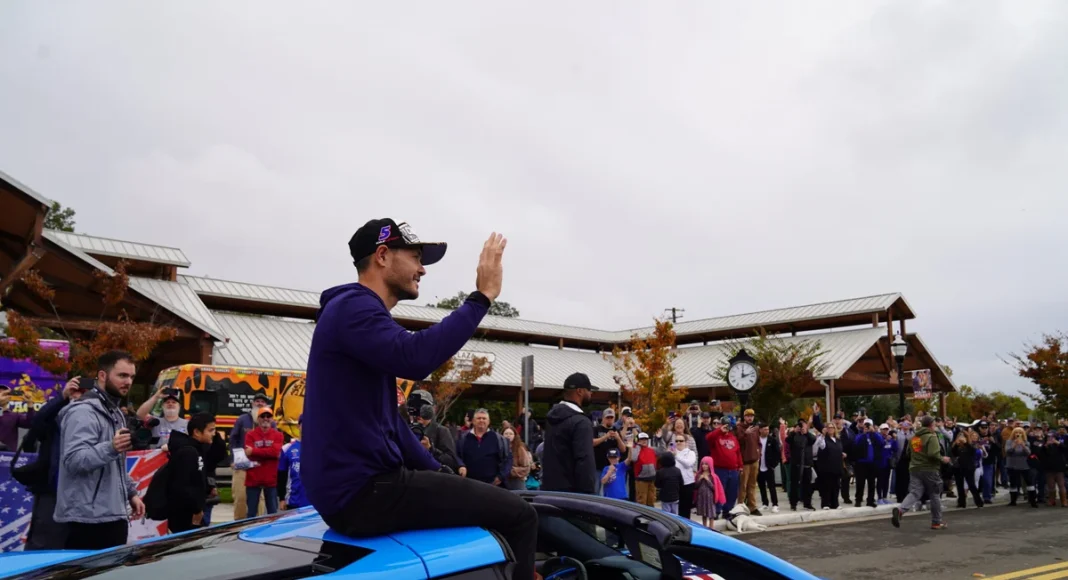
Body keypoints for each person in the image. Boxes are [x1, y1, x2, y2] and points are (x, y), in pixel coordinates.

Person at [301, 221, 538, 580]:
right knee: (521, 515)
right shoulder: (353, 307)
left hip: (355, 492)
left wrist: (436, 471)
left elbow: (392, 425)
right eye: (415, 257)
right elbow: (415, 356)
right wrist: (482, 296)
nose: (423, 269)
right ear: (382, 255)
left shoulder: (357, 316)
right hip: (364, 491)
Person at [54, 351, 146, 550]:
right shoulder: (82, 412)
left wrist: (132, 493)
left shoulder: (116, 414)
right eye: (122, 375)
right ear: (103, 376)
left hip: (113, 515)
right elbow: (73, 460)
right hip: (86, 520)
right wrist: (111, 447)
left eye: (131, 377)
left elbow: (116, 466)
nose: (128, 382)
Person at [23, 377, 83, 550]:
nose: (78, 394)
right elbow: (37, 422)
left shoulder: (94, 414)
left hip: (81, 493)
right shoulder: (55, 415)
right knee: (43, 543)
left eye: (83, 390)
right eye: (75, 390)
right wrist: (63, 397)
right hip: (53, 489)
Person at [541, 373, 598, 494]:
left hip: (549, 491)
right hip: (572, 496)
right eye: (589, 390)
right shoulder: (581, 422)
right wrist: (588, 496)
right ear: (580, 391)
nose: (591, 393)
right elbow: (584, 461)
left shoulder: (552, 419)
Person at [891, 416, 951, 530]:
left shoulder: (914, 437)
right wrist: (943, 459)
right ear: (930, 425)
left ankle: (900, 510)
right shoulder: (931, 436)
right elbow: (933, 453)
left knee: (915, 492)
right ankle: (936, 522)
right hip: (930, 469)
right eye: (934, 425)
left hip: (915, 469)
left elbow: (908, 453)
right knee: (934, 494)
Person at [166, 412, 217, 533]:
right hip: (185, 514)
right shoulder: (188, 452)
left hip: (192, 511)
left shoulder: (198, 449)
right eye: (211, 430)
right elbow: (184, 486)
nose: (214, 434)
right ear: (197, 432)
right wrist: (196, 510)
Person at [229, 393, 274, 520]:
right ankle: (237, 527)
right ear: (252, 404)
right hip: (242, 466)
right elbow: (233, 440)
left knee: (259, 500)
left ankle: (256, 527)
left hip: (261, 468)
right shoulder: (242, 420)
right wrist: (233, 459)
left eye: (263, 402)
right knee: (241, 497)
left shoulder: (272, 423)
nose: (259, 403)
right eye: (257, 401)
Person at [278, 414, 307, 510]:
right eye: (304, 424)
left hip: (314, 503)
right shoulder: (287, 449)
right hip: (294, 501)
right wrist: (282, 498)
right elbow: (282, 475)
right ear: (298, 426)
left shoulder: (320, 449)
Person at [0, 383, 35, 452]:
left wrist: (30, 404)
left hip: (7, 456)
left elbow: (31, 423)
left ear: (9, 397)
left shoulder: (15, 416)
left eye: (5, 394)